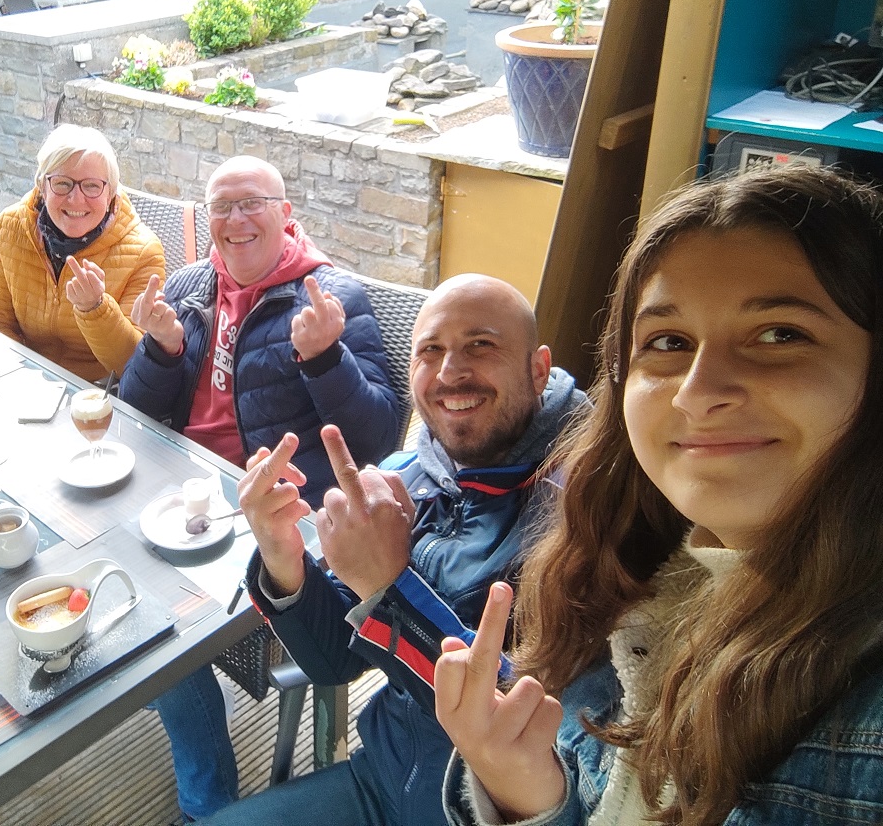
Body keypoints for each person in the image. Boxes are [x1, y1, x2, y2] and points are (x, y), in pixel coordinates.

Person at [435, 165, 883, 824]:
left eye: (780, 334)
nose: (698, 392)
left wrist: (386, 587)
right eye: (668, 343)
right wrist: (521, 792)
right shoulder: (613, 576)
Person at [199, 275, 587, 826]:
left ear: (538, 369)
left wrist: (390, 588)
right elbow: (334, 660)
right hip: (382, 777)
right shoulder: (407, 474)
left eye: (481, 345)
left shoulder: (586, 512)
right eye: (430, 350)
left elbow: (535, 729)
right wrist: (283, 555)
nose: (450, 372)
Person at [120, 155, 399, 821]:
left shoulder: (327, 296)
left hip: (274, 517)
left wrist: (326, 358)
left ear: (286, 213)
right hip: (183, 492)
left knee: (156, 624)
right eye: (222, 206)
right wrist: (159, 350)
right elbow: (134, 414)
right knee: (108, 571)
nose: (236, 219)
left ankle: (206, 806)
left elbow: (377, 437)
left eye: (253, 204)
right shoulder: (189, 286)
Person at [0, 124, 164, 383]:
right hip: (25, 383)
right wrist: (17, 379)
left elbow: (133, 365)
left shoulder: (144, 252)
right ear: (42, 186)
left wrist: (95, 308)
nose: (76, 199)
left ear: (110, 193)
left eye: (92, 186)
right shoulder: (11, 227)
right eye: (62, 183)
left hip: (98, 394)